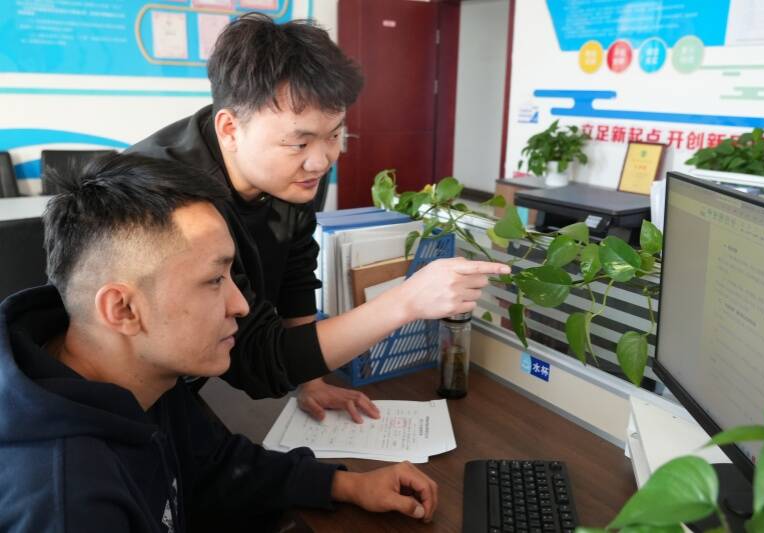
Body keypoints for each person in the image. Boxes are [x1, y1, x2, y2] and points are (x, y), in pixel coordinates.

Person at [0, 154, 439, 532]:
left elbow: (212, 464)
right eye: (214, 280)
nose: (240, 305)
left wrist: (345, 484)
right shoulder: (66, 502)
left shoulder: (143, 374)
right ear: (124, 309)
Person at [128, 13, 509, 422]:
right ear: (230, 129)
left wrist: (311, 381)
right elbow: (256, 362)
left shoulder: (295, 174)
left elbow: (296, 270)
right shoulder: (169, 202)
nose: (322, 160)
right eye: (300, 142)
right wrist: (407, 301)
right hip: (129, 394)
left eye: (334, 134)